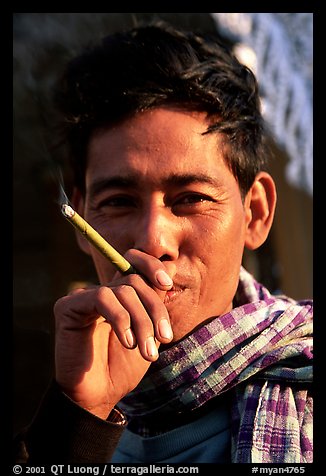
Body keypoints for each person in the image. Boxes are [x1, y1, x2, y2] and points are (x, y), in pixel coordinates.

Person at [14, 20, 313, 464]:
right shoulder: (69, 420)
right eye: (118, 202)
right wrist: (80, 415)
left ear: (256, 213)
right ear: (82, 223)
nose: (154, 240)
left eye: (191, 199)